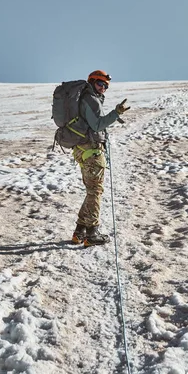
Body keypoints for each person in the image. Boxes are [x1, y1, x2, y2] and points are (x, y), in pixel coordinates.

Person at [71, 70, 130, 247]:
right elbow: (97, 125)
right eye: (100, 84)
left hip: (83, 150)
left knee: (92, 190)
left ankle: (80, 231)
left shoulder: (86, 98)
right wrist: (115, 113)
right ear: (92, 81)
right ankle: (92, 233)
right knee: (95, 191)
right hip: (91, 152)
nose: (103, 88)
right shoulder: (90, 99)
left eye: (106, 86)